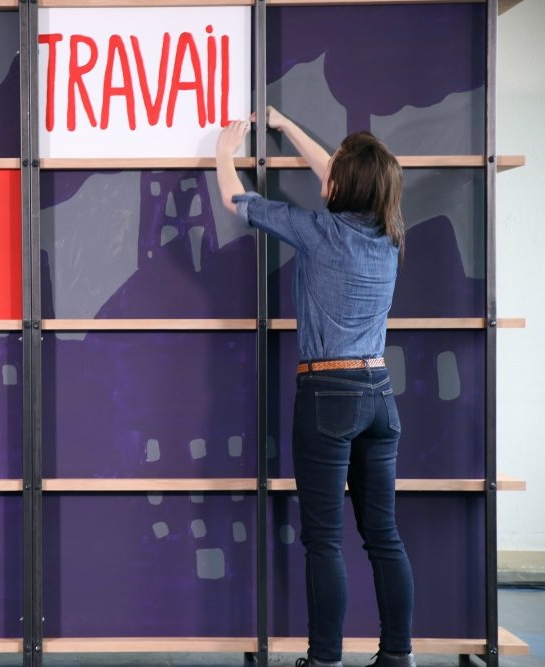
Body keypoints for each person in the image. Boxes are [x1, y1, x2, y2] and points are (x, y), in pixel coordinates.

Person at [216, 107, 415, 667]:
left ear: (340, 185)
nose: (325, 175)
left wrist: (223, 153)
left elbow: (240, 201)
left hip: (329, 395)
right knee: (385, 538)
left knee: (324, 540)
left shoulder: (319, 232)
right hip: (380, 392)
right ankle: (398, 657)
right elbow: (336, 171)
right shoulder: (390, 234)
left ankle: (325, 659)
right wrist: (285, 125)